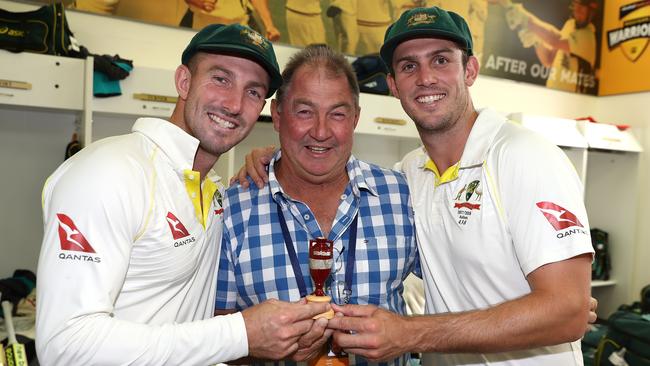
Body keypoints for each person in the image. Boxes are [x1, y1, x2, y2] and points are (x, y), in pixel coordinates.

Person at [36, 23, 330, 365]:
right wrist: (240, 334)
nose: (235, 105)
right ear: (183, 82)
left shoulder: (212, 189)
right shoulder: (107, 172)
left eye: (253, 92)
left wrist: (282, 159)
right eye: (221, 79)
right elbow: (65, 346)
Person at [323, 6, 595, 365]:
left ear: (470, 70)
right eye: (408, 66)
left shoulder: (526, 156)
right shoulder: (407, 173)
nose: (425, 78)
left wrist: (410, 332)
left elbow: (569, 311)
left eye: (440, 60)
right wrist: (278, 161)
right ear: (392, 85)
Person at [215, 44, 419, 365]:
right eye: (304, 112)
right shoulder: (231, 211)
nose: (321, 131)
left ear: (354, 118)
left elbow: (460, 280)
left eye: (337, 114)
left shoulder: (401, 195)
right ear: (279, 115)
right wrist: (263, 348)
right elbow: (214, 337)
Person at [492, 0, 598, 93]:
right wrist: (536, 41)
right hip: (551, 93)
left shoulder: (588, 37)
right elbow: (549, 60)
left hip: (570, 101)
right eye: (576, 5)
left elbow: (554, 40)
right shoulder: (570, 25)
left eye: (582, 8)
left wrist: (525, 19)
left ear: (591, 12)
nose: (577, 11)